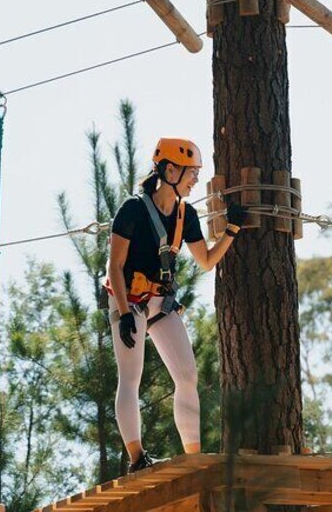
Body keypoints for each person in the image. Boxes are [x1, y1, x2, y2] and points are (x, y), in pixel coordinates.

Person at [105, 137, 246, 473]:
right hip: (129, 298)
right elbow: (114, 265)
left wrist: (232, 229)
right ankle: (137, 457)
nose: (195, 178)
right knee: (130, 376)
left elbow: (207, 260)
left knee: (187, 375)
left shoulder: (187, 215)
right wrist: (124, 314)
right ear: (170, 170)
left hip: (159, 300)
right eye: (191, 172)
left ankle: (194, 458)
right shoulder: (133, 209)